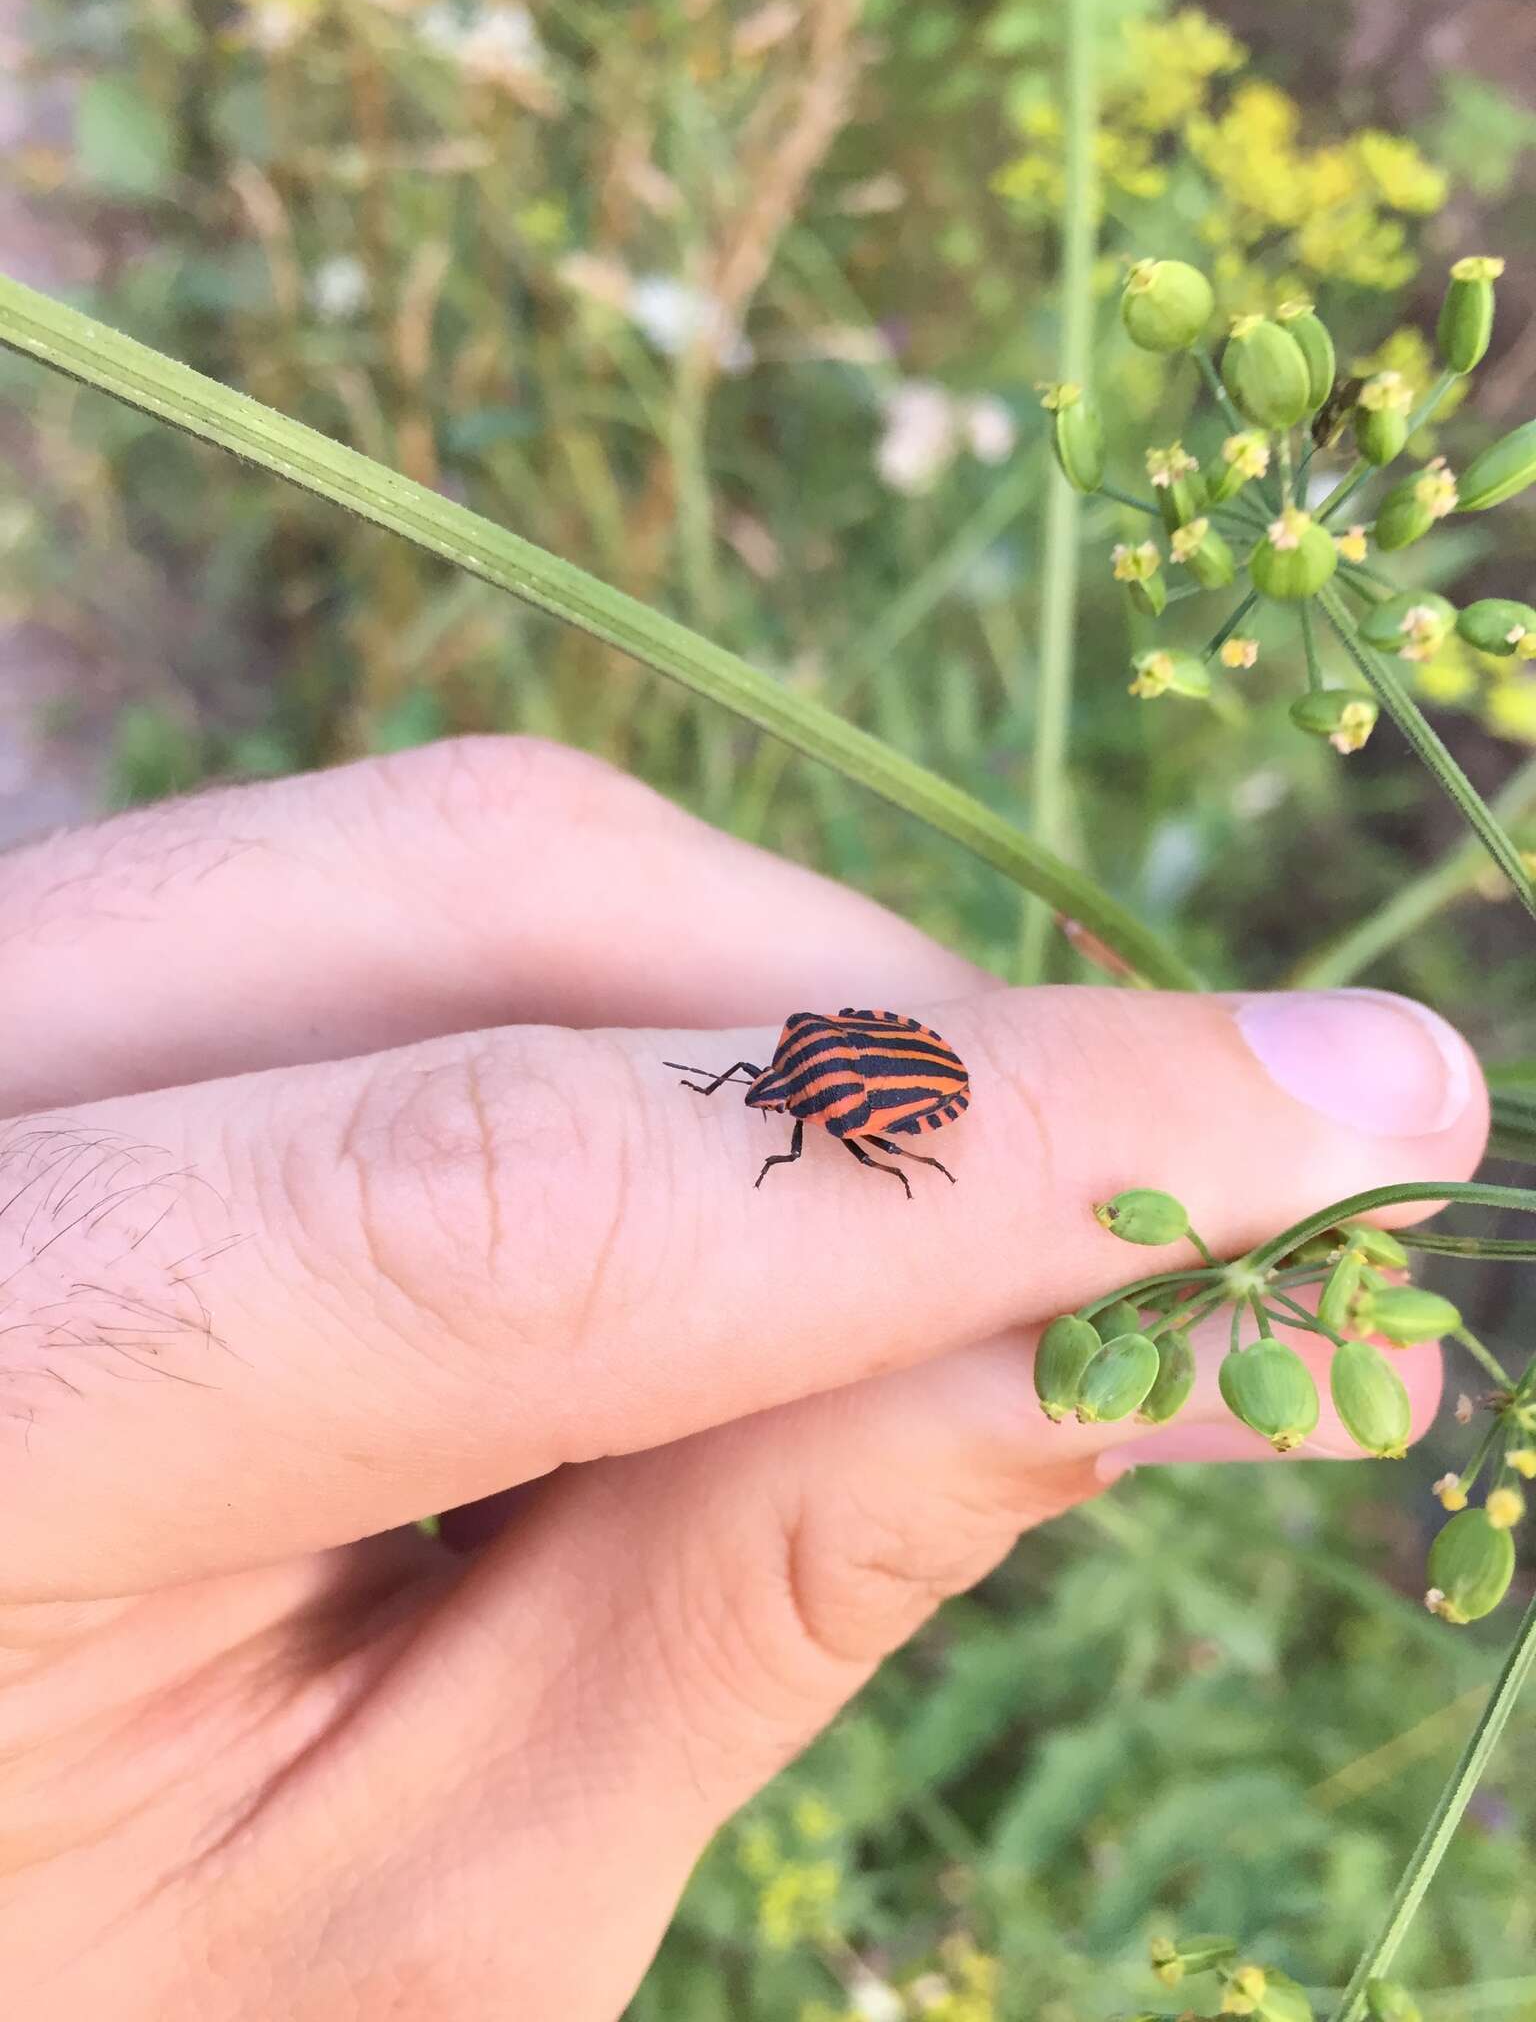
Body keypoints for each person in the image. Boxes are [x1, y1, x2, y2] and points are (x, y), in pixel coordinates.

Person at [0, 736, 1484, 2018]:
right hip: (902, 1072)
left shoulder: (816, 1082)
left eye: (781, 1091)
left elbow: (849, 1086)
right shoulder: (807, 1078)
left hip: (911, 1076)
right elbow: (824, 1084)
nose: (773, 1100)